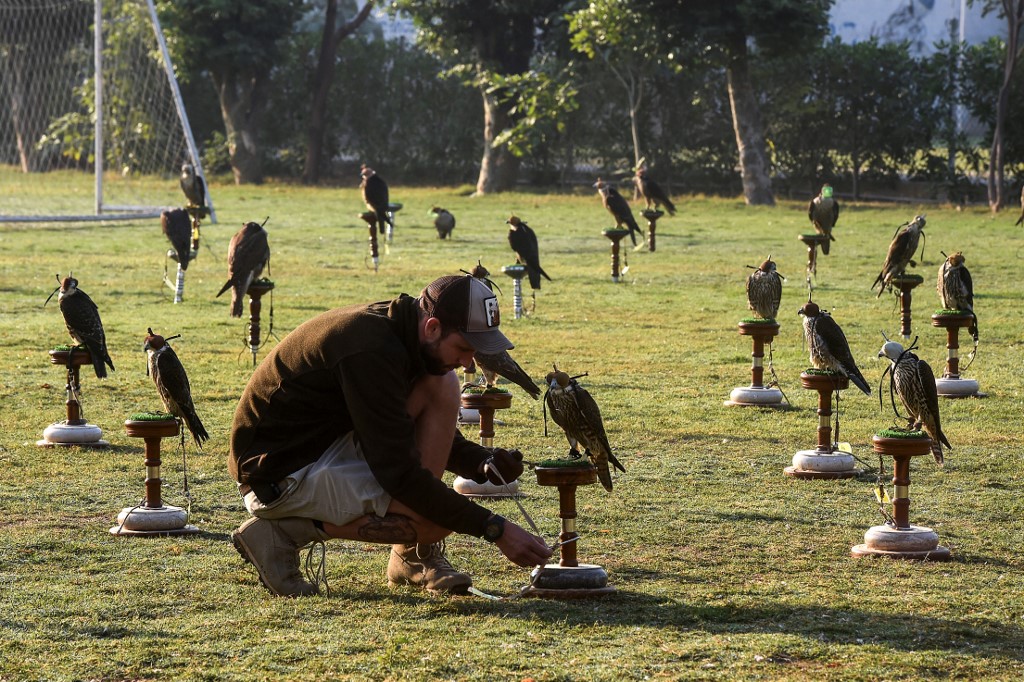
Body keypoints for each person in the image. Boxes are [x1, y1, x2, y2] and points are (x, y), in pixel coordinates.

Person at [229, 274, 553, 597]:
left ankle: (411, 556)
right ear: (433, 327)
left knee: (441, 383)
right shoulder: (370, 350)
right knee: (433, 523)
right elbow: (400, 474)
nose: (468, 361)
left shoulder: (399, 330)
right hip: (277, 479)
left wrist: (481, 463)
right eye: (465, 347)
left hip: (319, 449)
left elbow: (397, 427)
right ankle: (282, 532)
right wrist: (495, 528)